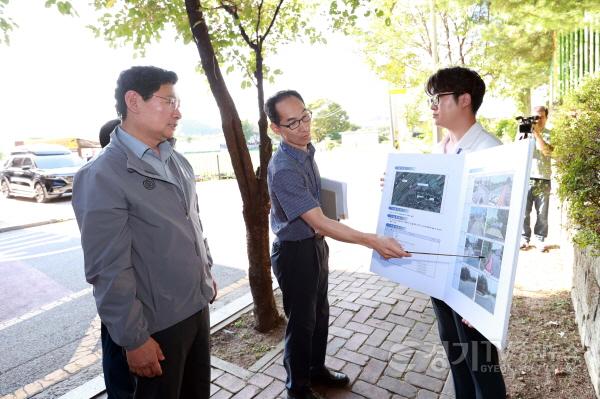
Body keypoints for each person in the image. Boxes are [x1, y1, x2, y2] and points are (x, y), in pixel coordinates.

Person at [72, 66, 217, 399]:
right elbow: (108, 268)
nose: (178, 112)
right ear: (134, 101)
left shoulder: (177, 161)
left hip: (195, 307)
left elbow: (193, 222)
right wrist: (134, 338)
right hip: (156, 326)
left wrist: (204, 271)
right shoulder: (102, 175)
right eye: (168, 101)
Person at [265, 90, 411, 399]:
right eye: (292, 122)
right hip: (294, 253)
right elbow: (317, 222)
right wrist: (372, 240)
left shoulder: (304, 150)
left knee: (319, 313)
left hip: (315, 246)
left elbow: (315, 212)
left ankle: (316, 369)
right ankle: (298, 387)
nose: (303, 126)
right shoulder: (284, 167)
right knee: (301, 323)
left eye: (305, 116)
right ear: (275, 128)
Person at [426, 66, 506, 399]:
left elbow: (497, 231)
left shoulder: (491, 151)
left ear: (464, 100)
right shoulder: (443, 146)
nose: (431, 105)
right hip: (442, 273)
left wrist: (483, 299)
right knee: (456, 355)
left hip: (471, 280)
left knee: (481, 365)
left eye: (437, 97)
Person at [96, 117, 137, 399]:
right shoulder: (103, 179)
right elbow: (108, 264)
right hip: (124, 296)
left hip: (142, 293)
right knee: (118, 359)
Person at [518, 105, 553, 252]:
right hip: (526, 177)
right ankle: (524, 239)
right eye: (535, 117)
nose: (537, 120)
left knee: (542, 213)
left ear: (546, 118)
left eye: (541, 117)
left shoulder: (550, 134)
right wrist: (523, 133)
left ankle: (540, 239)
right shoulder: (525, 132)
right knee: (524, 212)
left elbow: (546, 151)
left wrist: (537, 133)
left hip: (543, 179)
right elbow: (518, 151)